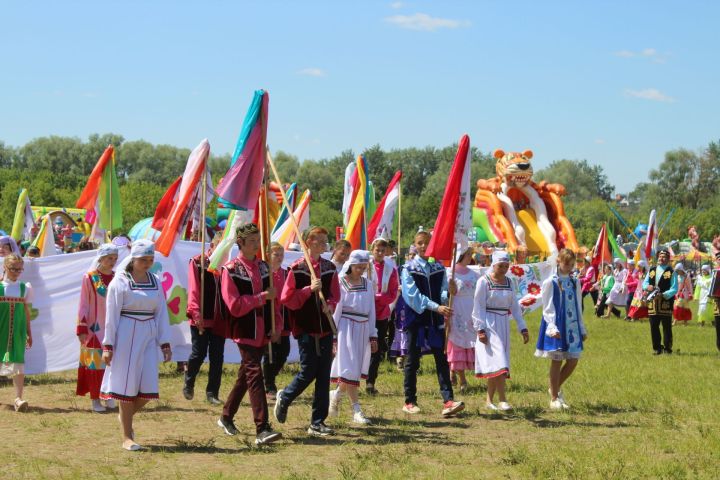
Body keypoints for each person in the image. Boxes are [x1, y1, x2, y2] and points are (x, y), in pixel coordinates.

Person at [100, 240, 172, 451]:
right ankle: (126, 436)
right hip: (126, 335)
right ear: (134, 259)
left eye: (151, 259)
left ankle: (125, 417)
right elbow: (111, 316)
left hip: (148, 334)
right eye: (143, 260)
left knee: (148, 388)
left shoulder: (155, 281)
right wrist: (108, 345)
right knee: (126, 386)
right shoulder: (119, 282)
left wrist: (165, 342)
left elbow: (161, 313)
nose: (148, 263)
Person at [215, 224, 283, 445]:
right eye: (252, 240)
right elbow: (234, 305)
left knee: (245, 376)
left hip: (263, 330)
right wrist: (261, 297)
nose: (256, 244)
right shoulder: (230, 270)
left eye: (258, 240)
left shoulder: (264, 267)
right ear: (240, 243)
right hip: (244, 330)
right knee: (255, 375)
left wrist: (277, 325)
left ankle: (226, 416)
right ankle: (262, 427)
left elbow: (275, 302)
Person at [275, 227, 340, 437]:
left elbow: (335, 295)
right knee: (308, 370)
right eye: (320, 241)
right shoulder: (297, 268)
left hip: (325, 327)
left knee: (323, 375)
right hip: (305, 326)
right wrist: (307, 290)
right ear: (309, 242)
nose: (324, 245)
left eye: (325, 241)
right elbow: (287, 299)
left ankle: (317, 422)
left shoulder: (330, 267)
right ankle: (285, 396)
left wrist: (330, 304)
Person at [400, 231, 465, 417]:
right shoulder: (408, 268)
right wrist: (437, 307)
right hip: (417, 320)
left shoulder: (438, 267)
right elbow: (413, 296)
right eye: (419, 243)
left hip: (435, 320)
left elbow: (443, 293)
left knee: (441, 359)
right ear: (415, 244)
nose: (423, 246)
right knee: (412, 360)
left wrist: (451, 292)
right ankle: (410, 401)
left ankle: (448, 400)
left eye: (426, 243)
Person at [472, 251, 529, 411]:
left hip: (503, 324)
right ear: (493, 264)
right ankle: (503, 400)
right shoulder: (484, 282)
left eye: (506, 266)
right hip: (489, 324)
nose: (504, 269)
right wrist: (480, 329)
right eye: (500, 266)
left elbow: (515, 307)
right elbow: (478, 306)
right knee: (500, 362)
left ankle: (489, 401)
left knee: (495, 365)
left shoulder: (510, 282)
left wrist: (522, 327)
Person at [328, 250, 378, 425]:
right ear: (351, 266)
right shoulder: (341, 283)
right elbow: (337, 311)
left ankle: (337, 394)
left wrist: (373, 335)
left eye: (364, 267)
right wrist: (334, 336)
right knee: (349, 369)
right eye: (358, 267)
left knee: (354, 369)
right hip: (346, 328)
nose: (361, 270)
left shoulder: (368, 284)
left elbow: (372, 311)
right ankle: (357, 409)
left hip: (363, 328)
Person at [535, 249, 587, 410]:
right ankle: (554, 398)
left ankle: (554, 387)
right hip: (557, 324)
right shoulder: (551, 282)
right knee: (557, 360)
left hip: (572, 324)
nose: (569, 267)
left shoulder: (574, 282)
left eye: (572, 265)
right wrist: (551, 326)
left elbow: (578, 305)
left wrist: (582, 328)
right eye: (566, 264)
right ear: (559, 261)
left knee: (573, 360)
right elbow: (548, 306)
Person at [76, 243, 118, 412]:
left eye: (115, 259)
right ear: (100, 258)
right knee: (96, 364)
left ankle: (108, 395)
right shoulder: (90, 277)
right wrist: (82, 327)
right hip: (95, 328)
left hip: (113, 326)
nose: (113, 262)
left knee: (112, 363)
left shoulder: (118, 277)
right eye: (109, 258)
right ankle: (95, 399)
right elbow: (83, 304)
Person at [184, 233, 224, 405]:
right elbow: (193, 289)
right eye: (220, 248)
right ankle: (189, 380)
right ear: (213, 246)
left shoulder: (227, 264)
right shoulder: (198, 262)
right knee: (198, 353)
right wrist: (196, 313)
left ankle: (212, 392)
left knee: (217, 356)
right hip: (200, 316)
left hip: (218, 318)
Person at [0, 255, 33, 412]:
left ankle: (18, 398)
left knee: (18, 362)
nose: (16, 272)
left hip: (18, 330)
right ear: (5, 267)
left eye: (20, 269)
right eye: (13, 269)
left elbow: (26, 311)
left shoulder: (24, 288)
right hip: (1, 328)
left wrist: (29, 332)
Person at [365, 238, 398, 395]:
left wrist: (377, 298)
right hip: (363, 312)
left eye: (382, 251)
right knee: (360, 347)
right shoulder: (365, 264)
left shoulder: (391, 269)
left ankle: (370, 382)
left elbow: (392, 293)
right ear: (372, 250)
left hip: (381, 313)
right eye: (377, 250)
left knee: (376, 349)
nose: (379, 253)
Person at [262, 242, 292, 401]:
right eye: (276, 255)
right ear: (268, 255)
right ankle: (269, 385)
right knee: (270, 353)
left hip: (283, 314)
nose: (279, 258)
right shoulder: (264, 273)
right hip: (269, 316)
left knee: (284, 351)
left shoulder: (286, 273)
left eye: (281, 255)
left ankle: (267, 377)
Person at [447, 246, 479, 393]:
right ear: (460, 255)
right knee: (457, 342)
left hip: (470, 310)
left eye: (470, 254)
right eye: (467, 254)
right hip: (457, 309)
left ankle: (453, 371)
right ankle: (462, 378)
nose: (469, 256)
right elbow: (445, 294)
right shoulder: (450, 272)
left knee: (469, 341)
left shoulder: (474, 274)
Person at [642, 249, 678, 355]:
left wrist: (663, 295)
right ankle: (657, 348)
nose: (661, 259)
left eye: (664, 257)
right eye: (660, 256)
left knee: (666, 327)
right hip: (653, 303)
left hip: (665, 303)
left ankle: (667, 348)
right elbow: (645, 283)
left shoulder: (671, 272)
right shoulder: (652, 270)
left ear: (668, 259)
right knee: (653, 326)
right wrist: (647, 287)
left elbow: (674, 288)